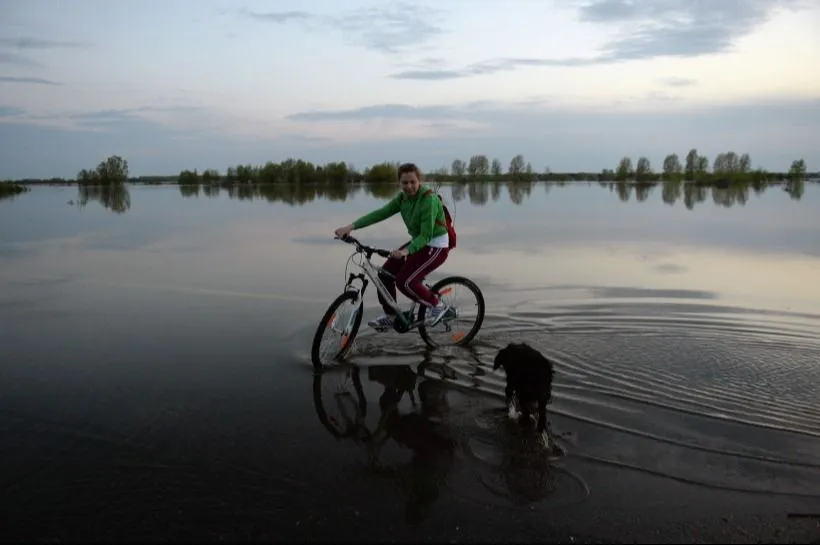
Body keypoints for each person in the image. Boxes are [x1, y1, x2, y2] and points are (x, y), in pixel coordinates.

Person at [334, 162, 456, 330]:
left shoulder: (429, 200)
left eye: (412, 182)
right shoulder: (402, 199)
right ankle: (391, 316)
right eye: (405, 183)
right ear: (400, 183)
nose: (409, 186)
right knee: (384, 276)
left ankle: (437, 306)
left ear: (419, 181)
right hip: (419, 243)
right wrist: (351, 227)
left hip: (436, 245)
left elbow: (426, 235)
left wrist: (406, 251)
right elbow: (379, 214)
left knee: (404, 281)